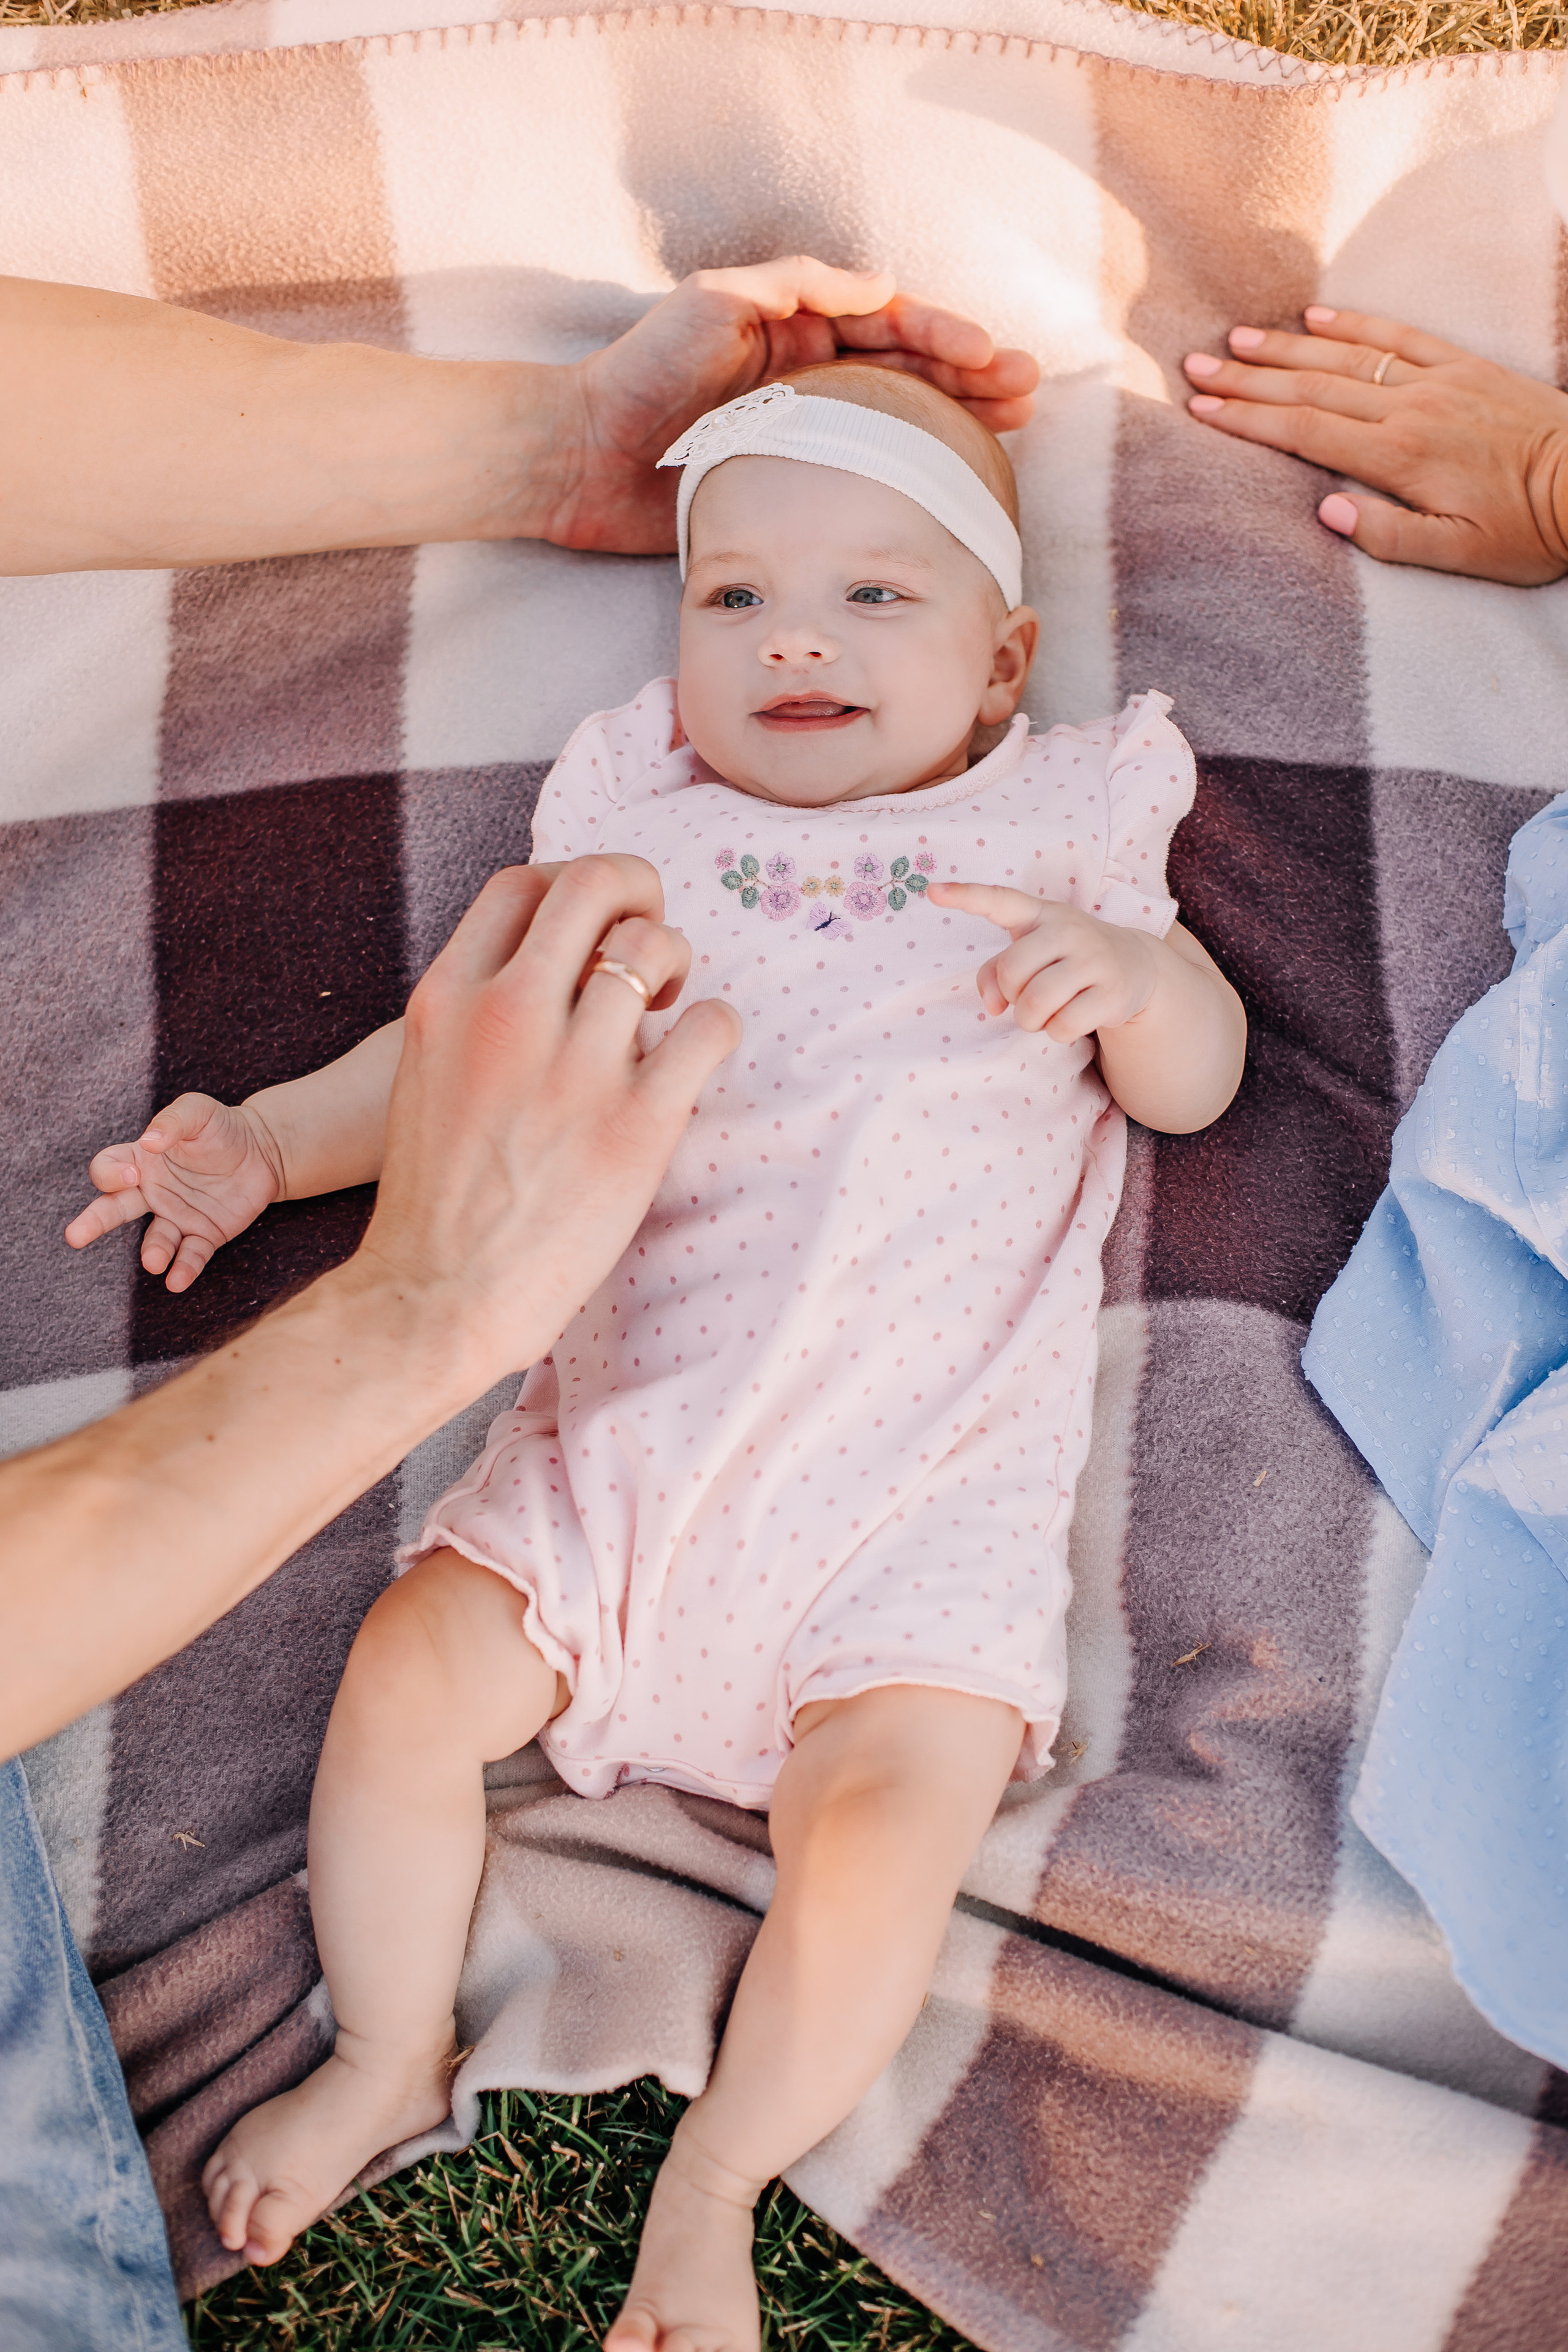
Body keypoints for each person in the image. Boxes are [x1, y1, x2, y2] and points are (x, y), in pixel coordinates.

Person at [70, 365, 1245, 2351]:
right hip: (616, 1462)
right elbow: (453, 1053)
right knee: (409, 1672)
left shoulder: (1066, 824)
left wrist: (1140, 982)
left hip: (908, 1514)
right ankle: (387, 2046)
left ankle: (714, 2184)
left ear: (1000, 662)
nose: (796, 638)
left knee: (885, 1833)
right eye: (736, 597)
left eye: (876, 596)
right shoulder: (642, 843)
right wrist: (264, 1142)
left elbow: (1192, 1080)